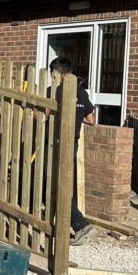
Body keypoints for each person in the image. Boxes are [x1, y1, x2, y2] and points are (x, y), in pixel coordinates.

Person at [49, 56, 96, 245]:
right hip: (73, 143)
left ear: (57, 72)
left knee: (54, 183)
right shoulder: (81, 92)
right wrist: (76, 116)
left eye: (51, 72)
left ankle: (81, 225)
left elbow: (44, 114)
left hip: (57, 142)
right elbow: (92, 121)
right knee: (61, 182)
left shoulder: (54, 90)